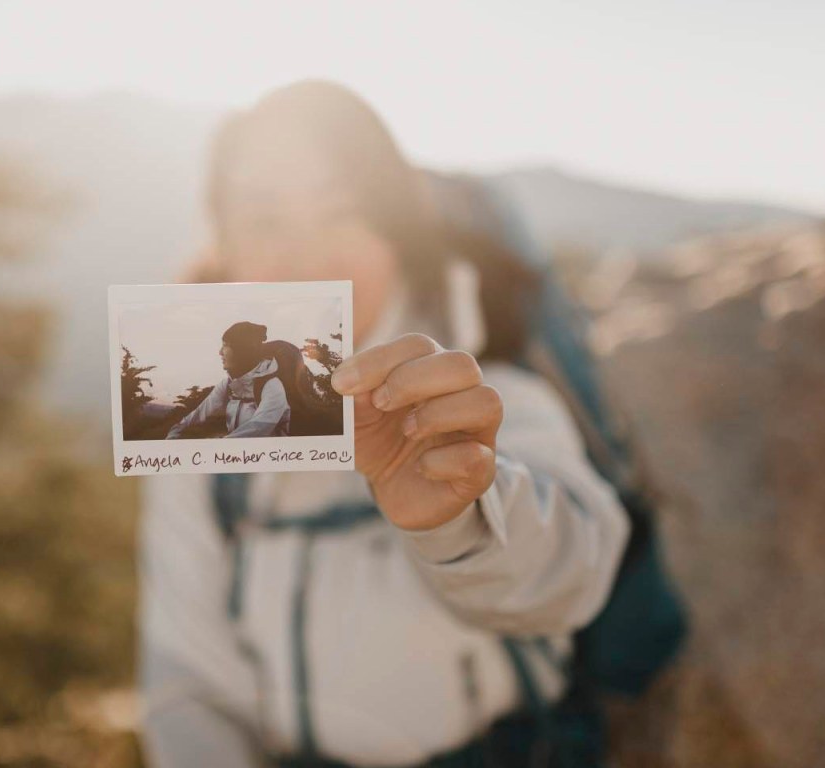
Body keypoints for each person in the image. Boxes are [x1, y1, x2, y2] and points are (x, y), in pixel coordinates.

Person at [138, 80, 631, 768]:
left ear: (396, 232)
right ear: (225, 246)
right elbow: (187, 675)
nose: (307, 258)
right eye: (264, 221)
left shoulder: (488, 393)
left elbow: (572, 574)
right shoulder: (199, 438)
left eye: (342, 213)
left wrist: (459, 515)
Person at [166, 321, 291, 439]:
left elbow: (256, 430)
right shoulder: (228, 384)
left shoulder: (272, 386)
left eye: (225, 346)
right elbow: (198, 415)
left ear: (242, 350)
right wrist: (175, 433)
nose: (220, 352)